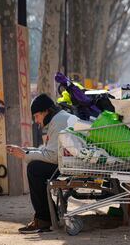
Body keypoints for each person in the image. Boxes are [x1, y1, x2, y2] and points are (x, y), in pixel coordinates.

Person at [7, 93, 78, 234]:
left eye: (36, 116)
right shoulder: (58, 118)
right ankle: (45, 216)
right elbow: (49, 151)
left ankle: (44, 218)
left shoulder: (58, 122)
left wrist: (25, 155)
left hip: (70, 165)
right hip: (68, 162)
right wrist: (25, 151)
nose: (36, 121)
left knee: (35, 169)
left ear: (46, 111)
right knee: (36, 166)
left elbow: (52, 157)